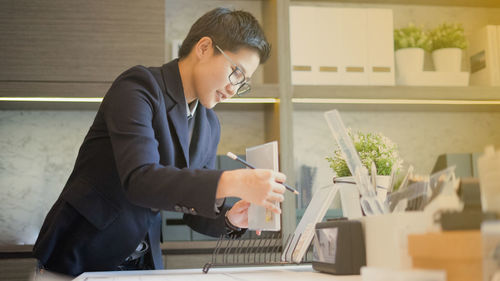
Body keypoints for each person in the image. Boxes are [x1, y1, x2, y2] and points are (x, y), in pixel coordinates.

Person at [33, 7, 286, 277]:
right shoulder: (138, 86)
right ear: (204, 48)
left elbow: (191, 208)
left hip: (139, 264)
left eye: (243, 83)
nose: (234, 90)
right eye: (236, 73)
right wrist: (234, 181)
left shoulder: (209, 124)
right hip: (78, 255)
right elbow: (140, 179)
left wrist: (230, 218)